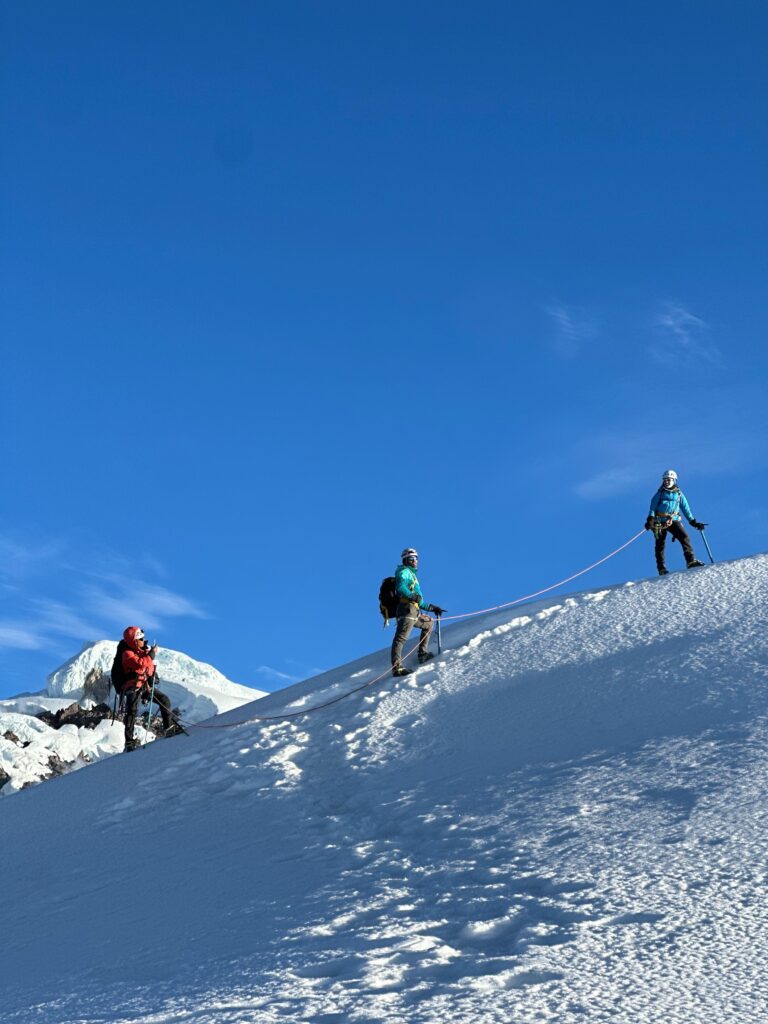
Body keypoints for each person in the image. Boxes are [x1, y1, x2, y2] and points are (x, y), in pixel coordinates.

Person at [120, 626, 178, 751]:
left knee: (164, 700)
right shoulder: (127, 654)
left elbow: (147, 668)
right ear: (133, 641)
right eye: (141, 638)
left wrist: (152, 675)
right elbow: (140, 664)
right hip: (133, 687)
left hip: (144, 686)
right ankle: (129, 742)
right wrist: (151, 655)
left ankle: (168, 728)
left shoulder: (142, 653)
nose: (143, 640)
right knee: (131, 713)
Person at [391, 548, 444, 677]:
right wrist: (412, 596)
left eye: (416, 558)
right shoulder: (404, 572)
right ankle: (397, 668)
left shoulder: (412, 575)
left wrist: (432, 608)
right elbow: (400, 588)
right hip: (407, 609)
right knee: (401, 637)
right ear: (406, 560)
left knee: (428, 624)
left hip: (413, 610)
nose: (415, 561)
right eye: (412, 559)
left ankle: (422, 654)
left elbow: (419, 602)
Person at [645, 470, 707, 576]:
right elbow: (652, 507)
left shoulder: (679, 494)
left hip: (673, 520)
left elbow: (686, 509)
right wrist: (650, 519)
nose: (667, 482)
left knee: (684, 537)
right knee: (660, 544)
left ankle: (690, 561)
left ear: (674, 480)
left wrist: (693, 522)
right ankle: (661, 568)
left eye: (669, 480)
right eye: (665, 480)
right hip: (659, 521)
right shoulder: (659, 494)